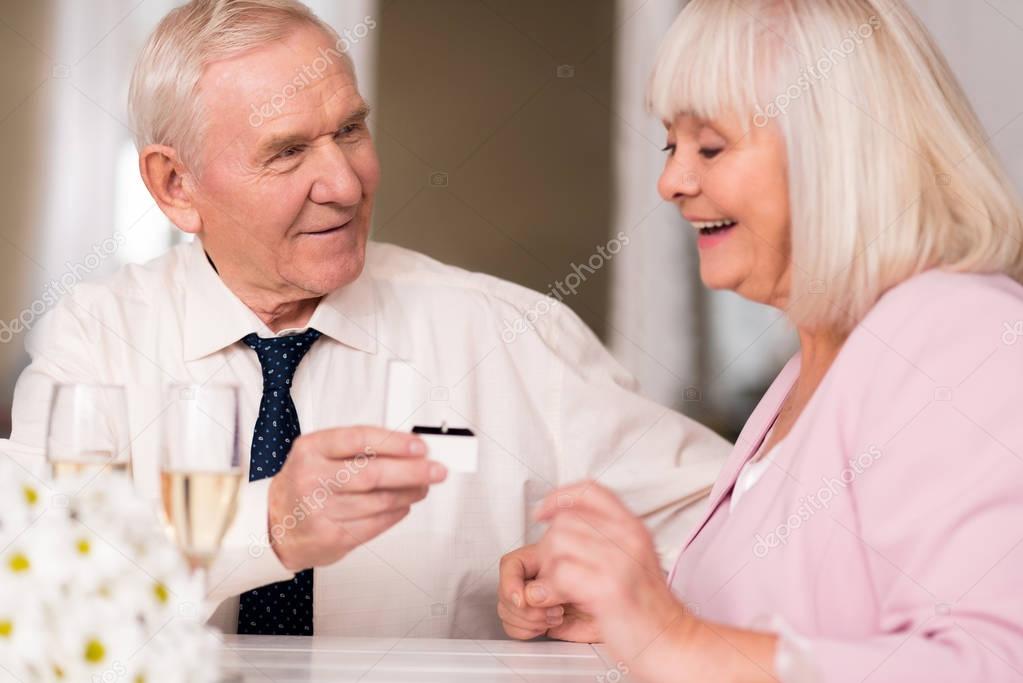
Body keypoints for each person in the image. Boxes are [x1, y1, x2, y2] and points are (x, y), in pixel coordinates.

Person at [0, 0, 729, 639]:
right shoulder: (95, 339)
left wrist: (605, 582)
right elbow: (33, 572)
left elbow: (730, 530)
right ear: (174, 185)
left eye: (349, 130)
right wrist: (267, 525)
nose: (345, 184)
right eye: (287, 152)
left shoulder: (503, 331)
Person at [498, 0, 1023, 680]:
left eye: (708, 146)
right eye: (669, 146)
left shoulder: (962, 334)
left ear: (835, 149)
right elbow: (805, 614)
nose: (671, 182)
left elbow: (991, 662)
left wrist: (673, 634)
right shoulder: (816, 362)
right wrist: (630, 612)